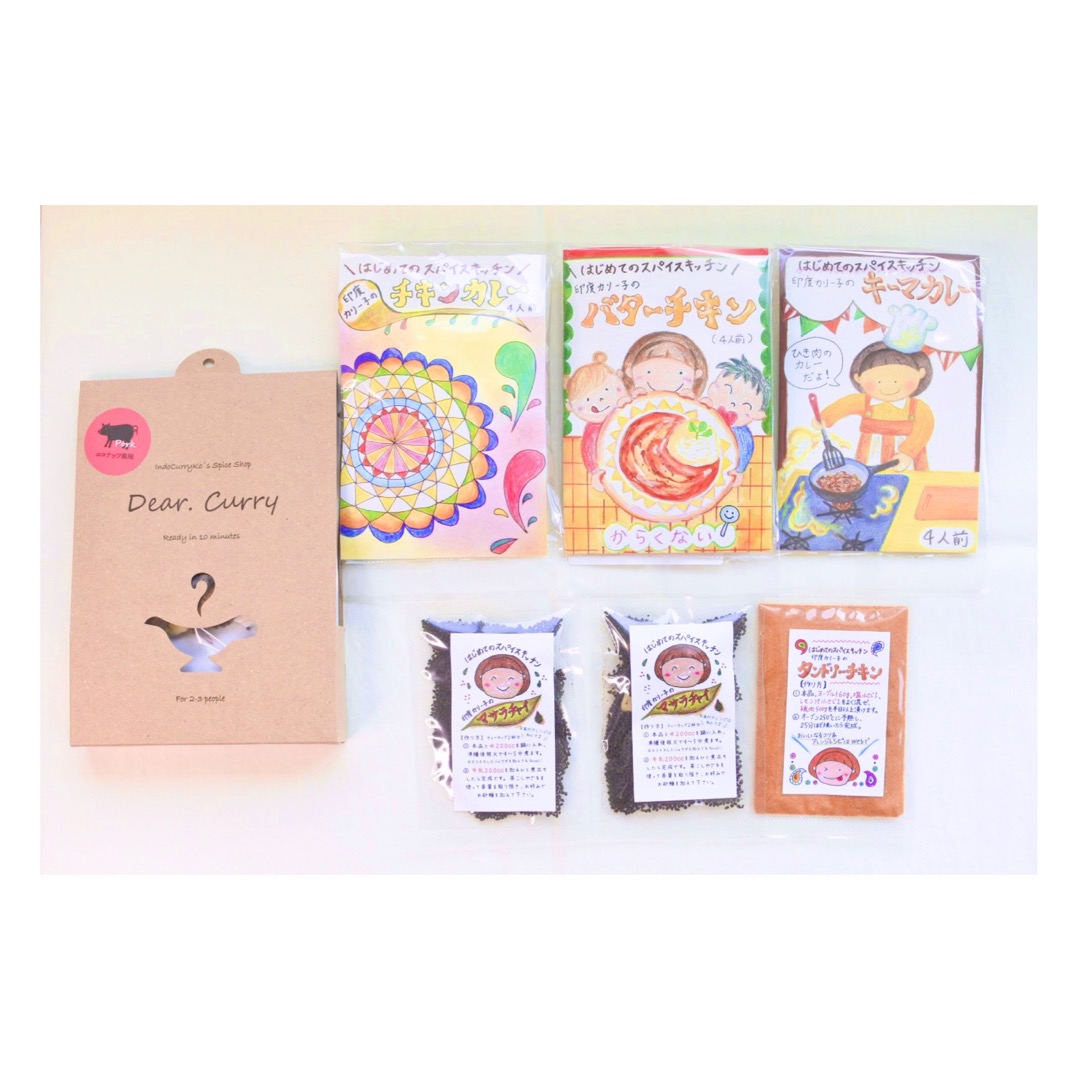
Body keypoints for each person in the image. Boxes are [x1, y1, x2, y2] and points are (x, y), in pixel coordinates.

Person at [813, 341, 934, 470]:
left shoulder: (918, 408)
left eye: (896, 380)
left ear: (920, 374)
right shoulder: (864, 402)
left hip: (907, 461)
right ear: (858, 378)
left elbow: (923, 430)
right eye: (879, 381)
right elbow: (843, 406)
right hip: (870, 457)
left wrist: (907, 453)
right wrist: (825, 418)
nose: (888, 386)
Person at [565, 352, 629, 491]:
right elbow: (589, 452)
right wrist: (595, 472)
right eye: (587, 399)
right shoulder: (594, 431)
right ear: (570, 407)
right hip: (616, 470)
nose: (600, 401)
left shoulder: (626, 411)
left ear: (620, 379)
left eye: (606, 390)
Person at [703, 355, 770, 473]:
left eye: (746, 405)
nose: (732, 403)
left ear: (758, 414)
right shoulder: (704, 414)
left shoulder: (742, 437)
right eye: (727, 390)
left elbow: (739, 465)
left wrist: (737, 472)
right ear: (713, 388)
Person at [622, 331, 709, 400]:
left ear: (697, 375)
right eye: (649, 372)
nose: (664, 379)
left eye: (680, 373)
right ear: (630, 372)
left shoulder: (694, 406)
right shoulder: (631, 404)